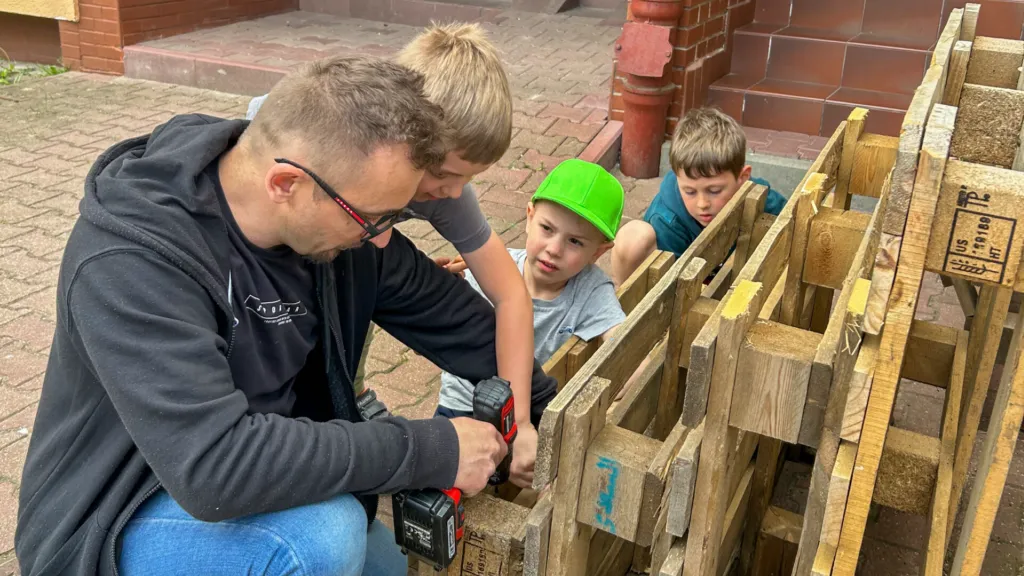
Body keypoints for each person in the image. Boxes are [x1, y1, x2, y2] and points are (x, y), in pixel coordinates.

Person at [15, 55, 557, 576]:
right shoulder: (132, 262)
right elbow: (215, 467)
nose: (382, 237)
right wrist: (432, 449)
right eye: (374, 218)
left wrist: (546, 412)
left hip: (261, 479)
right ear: (286, 185)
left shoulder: (338, 222)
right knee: (322, 541)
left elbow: (456, 320)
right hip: (121, 515)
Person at [246, 22, 542, 489]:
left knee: (355, 318)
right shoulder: (317, 141)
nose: (454, 192)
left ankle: (352, 391)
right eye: (444, 173)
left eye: (468, 178)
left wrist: (519, 418)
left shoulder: (446, 192)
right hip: (299, 243)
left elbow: (511, 295)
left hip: (359, 257)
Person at [437, 159, 627, 422]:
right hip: (464, 404)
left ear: (598, 252)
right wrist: (441, 293)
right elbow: (435, 331)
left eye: (575, 241)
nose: (554, 249)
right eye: (547, 229)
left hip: (534, 408)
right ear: (529, 217)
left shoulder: (591, 289)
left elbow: (622, 339)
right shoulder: (490, 267)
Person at [611, 107, 787, 287]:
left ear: (742, 178)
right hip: (688, 284)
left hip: (732, 274)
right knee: (634, 238)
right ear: (678, 178)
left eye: (715, 190)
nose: (702, 204)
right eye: (690, 192)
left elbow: (787, 219)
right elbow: (675, 286)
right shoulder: (667, 221)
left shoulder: (757, 194)